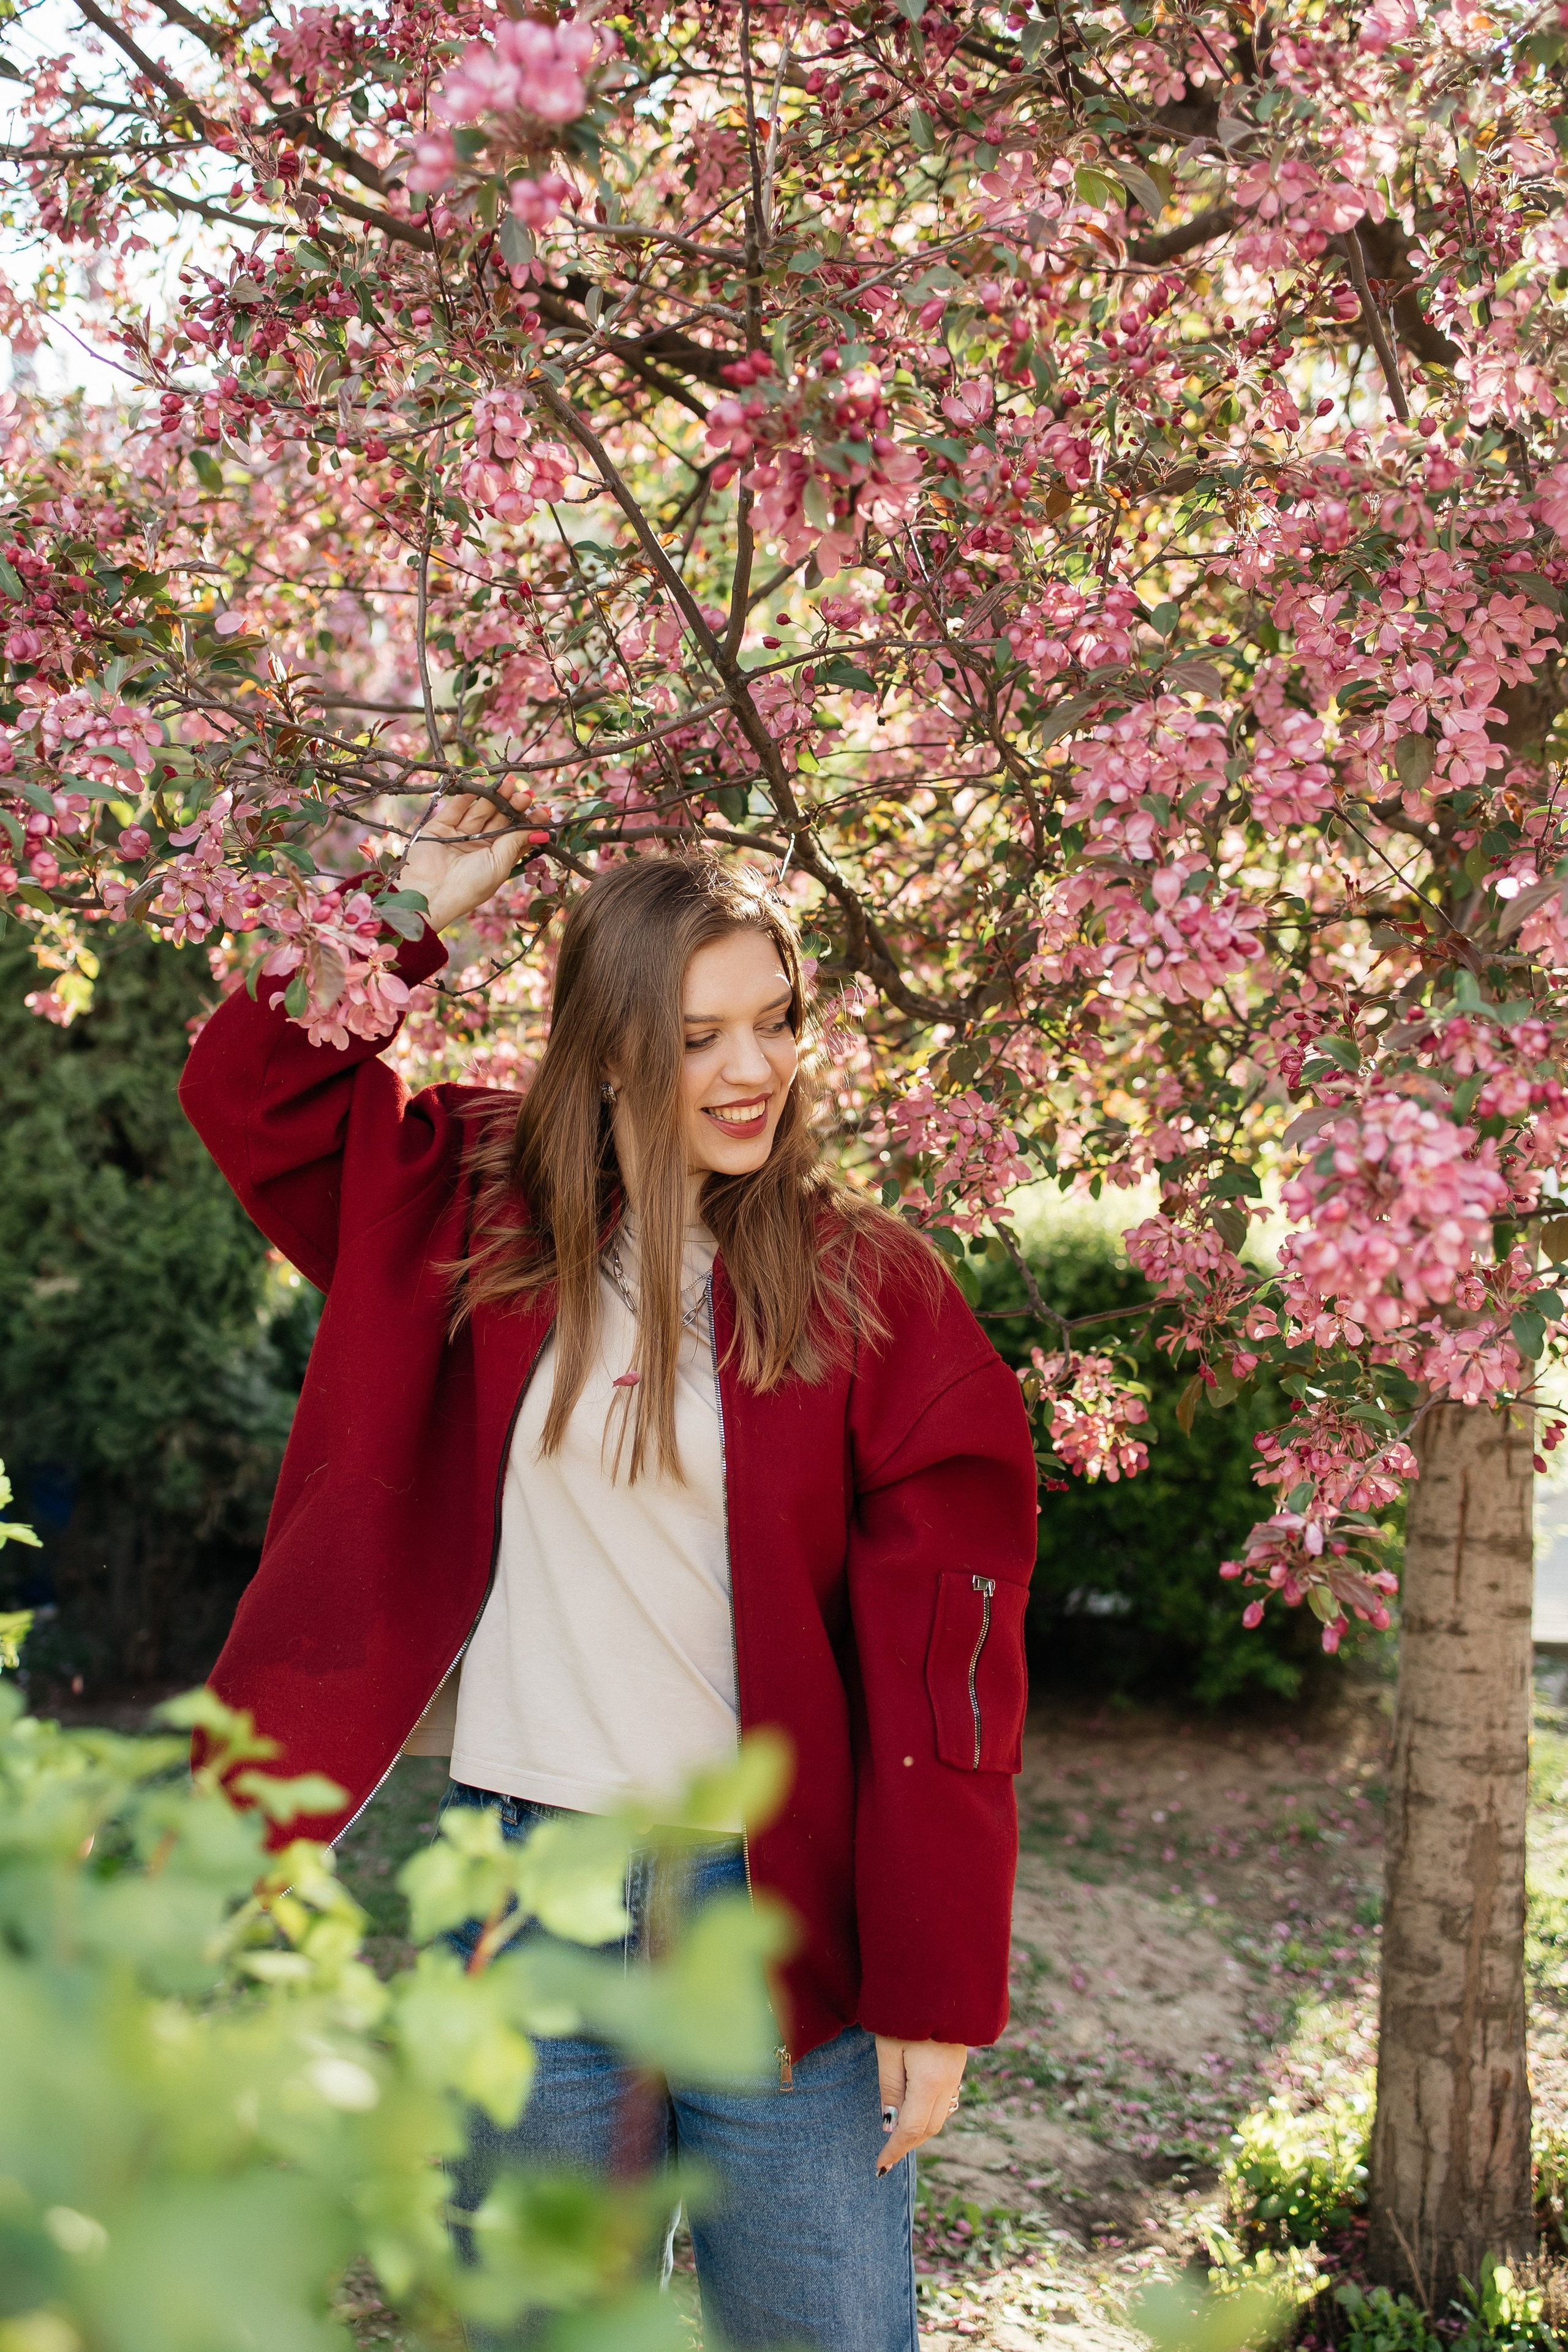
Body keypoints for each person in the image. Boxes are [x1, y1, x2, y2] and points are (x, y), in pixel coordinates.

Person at [179, 793, 1039, 2352]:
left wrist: (936, 1985)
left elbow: (946, 1674)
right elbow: (251, 1092)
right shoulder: (466, 1212)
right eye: (701, 1035)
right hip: (527, 1888)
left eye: (774, 1023)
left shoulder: (869, 1289)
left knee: (824, 2333)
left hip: (772, 1913)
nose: (754, 1069)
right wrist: (397, 909)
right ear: (610, 1042)